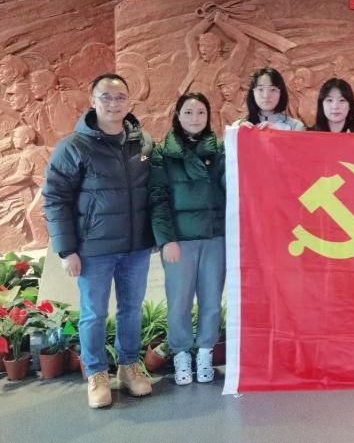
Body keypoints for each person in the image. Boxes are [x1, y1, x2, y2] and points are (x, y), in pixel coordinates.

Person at [41, 73, 154, 409]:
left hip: (136, 247)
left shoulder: (143, 142)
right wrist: (67, 249)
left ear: (129, 102)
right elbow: (55, 198)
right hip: (94, 250)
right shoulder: (73, 146)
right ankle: (96, 373)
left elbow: (156, 192)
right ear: (92, 101)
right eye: (106, 97)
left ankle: (128, 366)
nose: (113, 104)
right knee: (93, 313)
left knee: (131, 310)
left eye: (120, 97)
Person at [149, 93, 226, 386]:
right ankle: (181, 353)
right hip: (179, 242)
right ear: (177, 115)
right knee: (179, 301)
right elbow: (157, 199)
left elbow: (230, 188)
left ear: (208, 117)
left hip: (214, 237)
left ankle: (205, 352)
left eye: (201, 112)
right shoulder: (163, 153)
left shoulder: (219, 150)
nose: (195, 118)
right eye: (189, 112)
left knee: (211, 300)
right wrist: (166, 239)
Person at [236, 67, 305, 130]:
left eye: (273, 89)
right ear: (253, 93)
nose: (266, 96)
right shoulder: (238, 126)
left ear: (281, 93)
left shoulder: (296, 127)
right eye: (260, 89)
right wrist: (238, 133)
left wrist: (279, 132)